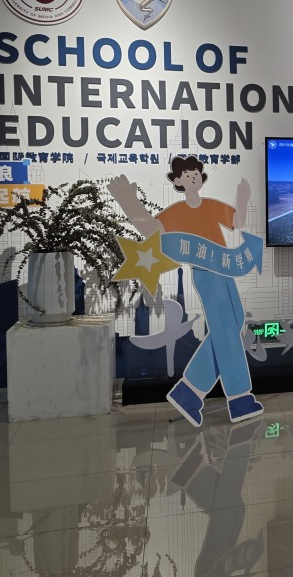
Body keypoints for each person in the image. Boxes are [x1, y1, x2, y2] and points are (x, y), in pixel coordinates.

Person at [109, 157, 264, 426]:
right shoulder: (176, 212)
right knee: (226, 330)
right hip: (205, 273)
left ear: (201, 177)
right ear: (178, 180)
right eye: (187, 173)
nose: (193, 175)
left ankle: (189, 392)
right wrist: (130, 204)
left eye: (196, 172)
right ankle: (239, 398)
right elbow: (151, 230)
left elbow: (237, 222)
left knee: (233, 323)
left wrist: (242, 198)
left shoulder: (211, 206)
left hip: (224, 268)